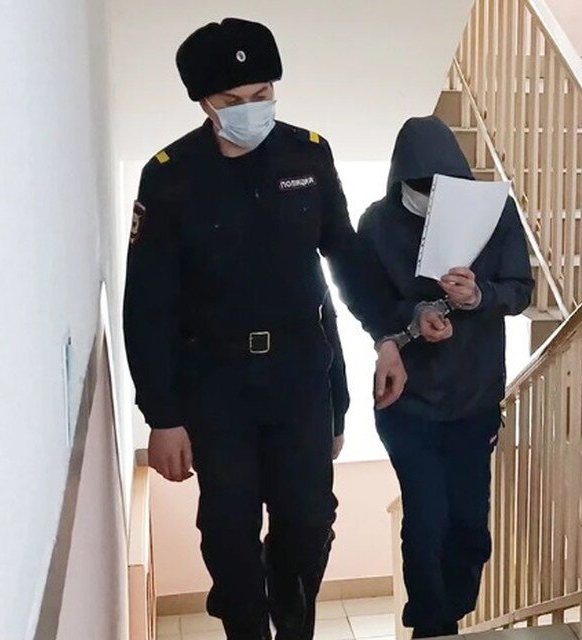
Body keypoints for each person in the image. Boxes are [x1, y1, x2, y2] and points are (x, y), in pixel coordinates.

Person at [123, 18, 408, 640]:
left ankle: (292, 614)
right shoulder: (170, 174)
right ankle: (245, 623)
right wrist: (162, 415)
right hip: (214, 381)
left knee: (310, 520)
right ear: (203, 102)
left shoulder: (308, 154)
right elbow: (146, 304)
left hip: (300, 373)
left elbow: (345, 255)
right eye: (232, 101)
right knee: (227, 528)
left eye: (262, 94)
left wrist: (387, 335)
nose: (251, 111)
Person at [358, 116, 535, 638]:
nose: (431, 199)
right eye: (420, 190)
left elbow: (521, 289)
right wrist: (412, 317)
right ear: (400, 184)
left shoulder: (495, 212)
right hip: (407, 403)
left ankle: (450, 613)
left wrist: (479, 296)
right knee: (426, 520)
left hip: (473, 398)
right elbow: (366, 300)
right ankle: (432, 625)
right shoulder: (377, 224)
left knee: (469, 526)